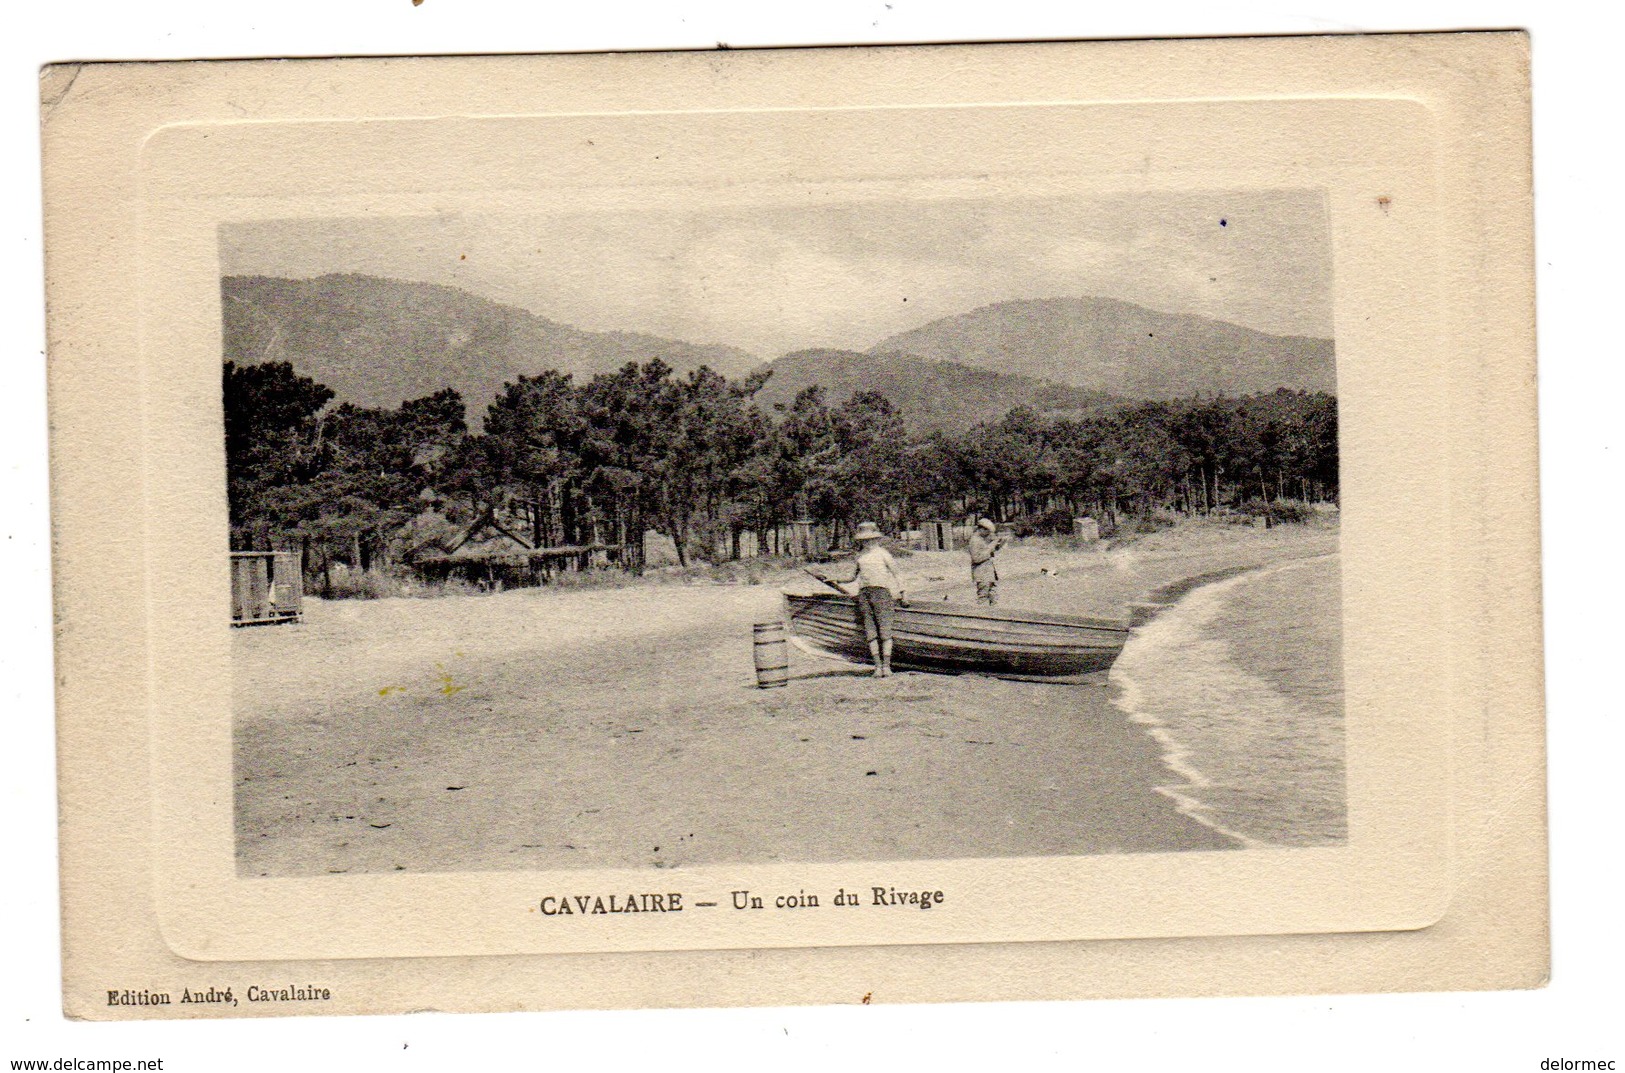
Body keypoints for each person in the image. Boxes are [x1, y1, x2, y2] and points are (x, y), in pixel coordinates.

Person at [837, 521, 905, 678]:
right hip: (864, 594)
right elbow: (851, 577)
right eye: (864, 540)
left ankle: (887, 667)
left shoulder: (884, 554)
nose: (867, 542)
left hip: (882, 594)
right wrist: (834, 579)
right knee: (871, 632)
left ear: (877, 539)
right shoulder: (860, 557)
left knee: (885, 631)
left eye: (870, 539)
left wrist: (903, 593)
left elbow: (897, 573)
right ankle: (878, 667)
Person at [968, 517, 1005, 605]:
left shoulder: (980, 540)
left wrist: (998, 545)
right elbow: (976, 558)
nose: (988, 534)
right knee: (983, 598)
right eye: (987, 532)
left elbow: (985, 552)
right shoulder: (975, 541)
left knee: (993, 597)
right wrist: (990, 547)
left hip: (988, 573)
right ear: (981, 529)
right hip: (982, 574)